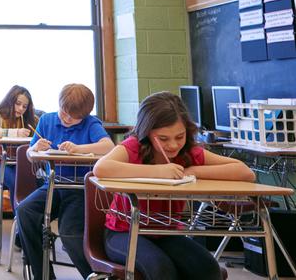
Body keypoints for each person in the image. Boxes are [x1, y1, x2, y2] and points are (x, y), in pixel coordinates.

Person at [93, 92, 254, 280]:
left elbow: (245, 172)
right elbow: (101, 168)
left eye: (180, 136)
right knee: (162, 270)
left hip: (164, 233)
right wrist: (159, 171)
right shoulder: (133, 147)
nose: (173, 145)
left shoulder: (188, 153)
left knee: (209, 269)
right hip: (123, 232)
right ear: (147, 132)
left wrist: (191, 172)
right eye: (163, 138)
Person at [16, 83, 114, 280]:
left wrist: (79, 149)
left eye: (73, 117)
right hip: (53, 185)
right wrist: (36, 149)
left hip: (80, 189)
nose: (66, 118)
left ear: (85, 115)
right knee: (25, 210)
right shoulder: (47, 120)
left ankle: (94, 275)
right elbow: (28, 152)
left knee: (69, 232)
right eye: (63, 112)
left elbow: (108, 146)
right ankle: (43, 275)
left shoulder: (91, 123)